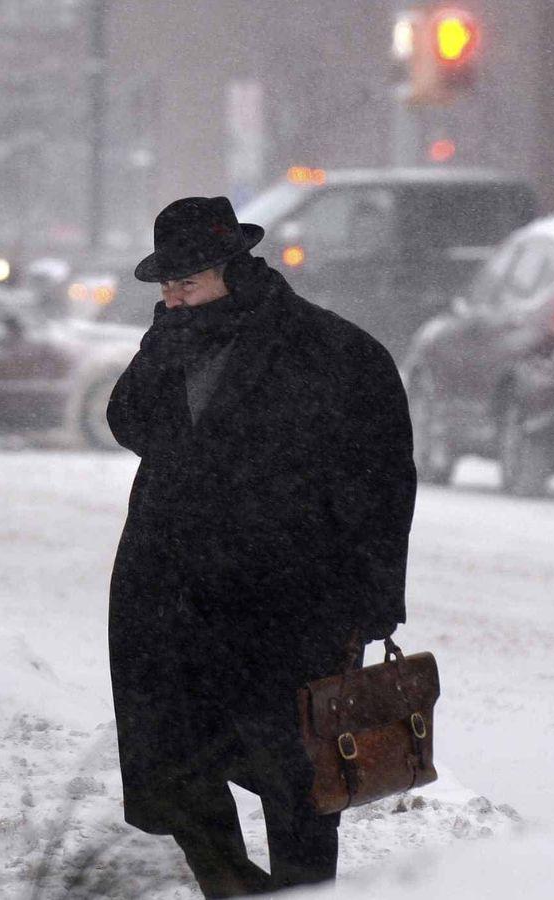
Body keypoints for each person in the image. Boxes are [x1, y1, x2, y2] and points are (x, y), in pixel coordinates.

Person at [106, 196, 417, 898]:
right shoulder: (173, 341)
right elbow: (129, 424)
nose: (173, 298)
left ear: (232, 268)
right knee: (175, 769)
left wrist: (374, 600)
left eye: (186, 283)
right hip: (172, 598)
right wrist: (158, 353)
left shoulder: (333, 352)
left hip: (289, 605)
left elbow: (383, 483)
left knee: (298, 782)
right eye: (166, 285)